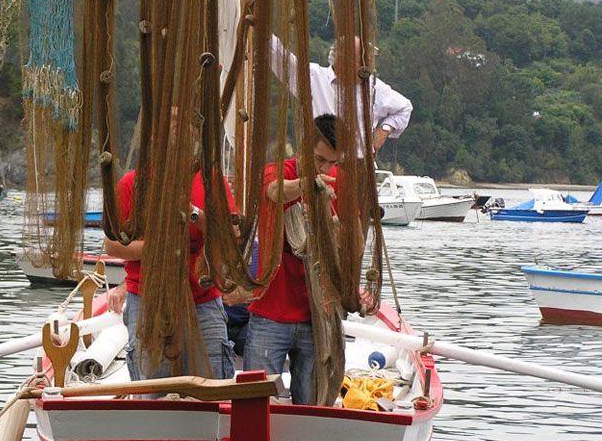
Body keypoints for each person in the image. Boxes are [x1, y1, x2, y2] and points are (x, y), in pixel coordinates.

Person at [105, 166, 238, 383]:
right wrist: (159, 246)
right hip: (148, 304)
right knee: (153, 392)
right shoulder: (131, 183)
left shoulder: (211, 181)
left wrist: (192, 212)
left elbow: (231, 235)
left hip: (203, 303)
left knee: (213, 391)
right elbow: (112, 245)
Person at [242, 113, 340, 406]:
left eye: (332, 163)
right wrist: (311, 184)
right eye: (319, 160)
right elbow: (275, 192)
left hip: (315, 316)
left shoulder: (336, 184)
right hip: (270, 315)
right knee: (257, 405)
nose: (326, 168)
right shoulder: (278, 172)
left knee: (312, 405)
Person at [270, 34, 412, 157]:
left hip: (359, 166)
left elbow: (404, 108)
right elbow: (279, 56)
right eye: (362, 61)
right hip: (319, 165)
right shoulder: (313, 78)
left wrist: (384, 130)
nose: (367, 67)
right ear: (342, 59)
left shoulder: (374, 87)